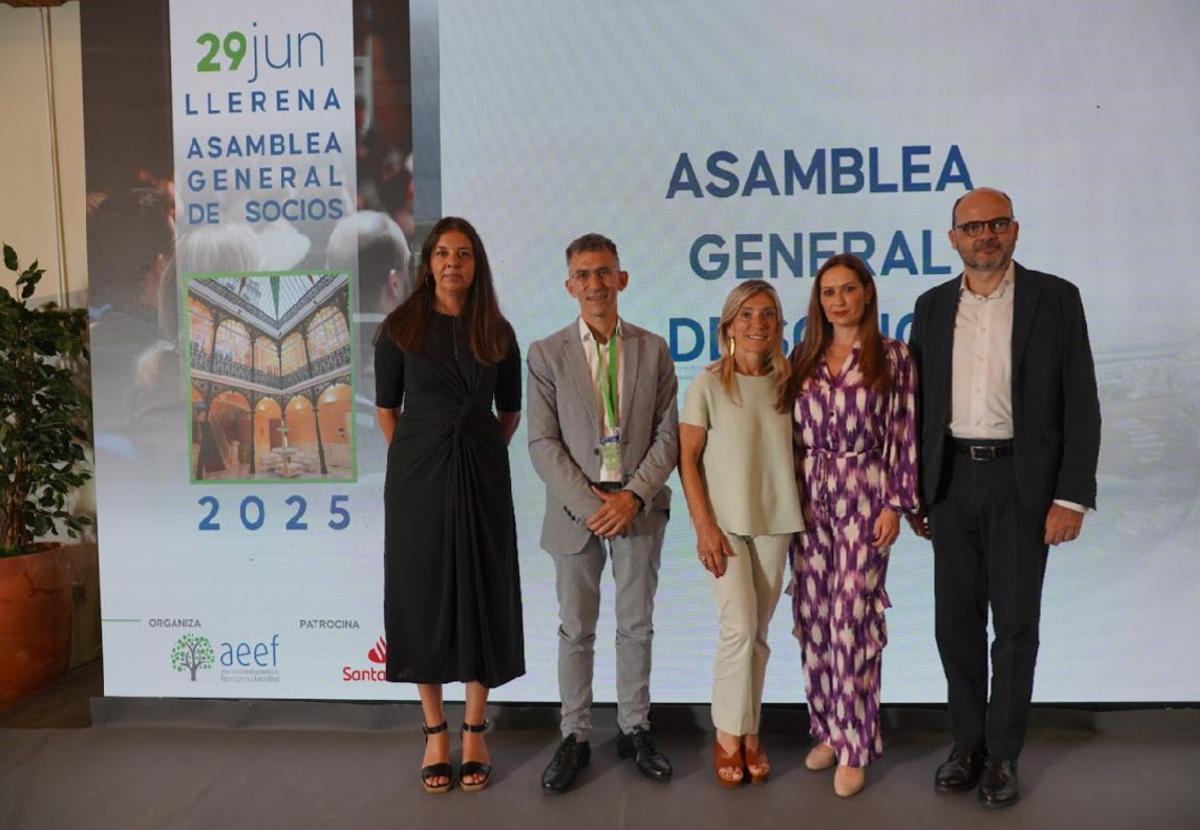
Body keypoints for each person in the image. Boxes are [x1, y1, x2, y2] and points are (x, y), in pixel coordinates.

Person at [907, 188, 1101, 808]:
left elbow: (1082, 402)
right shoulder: (931, 307)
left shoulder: (1056, 298)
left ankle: (1004, 755)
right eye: (971, 227)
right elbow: (915, 408)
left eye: (995, 224)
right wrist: (915, 490)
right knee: (954, 625)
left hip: (1024, 483)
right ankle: (967, 746)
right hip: (951, 483)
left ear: (1014, 229)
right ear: (953, 238)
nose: (983, 235)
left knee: (1015, 626)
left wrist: (1071, 496)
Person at [374, 216, 524, 794]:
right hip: (418, 476)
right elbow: (388, 407)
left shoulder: (498, 331)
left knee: (482, 588)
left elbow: (508, 410)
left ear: (476, 263)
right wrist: (420, 456)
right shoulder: (400, 327)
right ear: (428, 263)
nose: (452, 263)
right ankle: (435, 730)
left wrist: (479, 453)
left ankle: (475, 729)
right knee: (423, 591)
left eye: (463, 254)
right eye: (442, 253)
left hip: (482, 471)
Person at [527, 233, 679, 793]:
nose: (595, 283)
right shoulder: (546, 353)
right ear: (570, 286)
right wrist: (596, 506)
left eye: (604, 272)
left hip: (637, 506)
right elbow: (542, 444)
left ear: (623, 279)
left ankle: (636, 729)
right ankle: (575, 735)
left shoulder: (653, 348)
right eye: (583, 275)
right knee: (576, 629)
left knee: (636, 626)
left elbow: (668, 436)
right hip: (578, 511)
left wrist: (631, 496)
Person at [787, 253, 919, 797]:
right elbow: (790, 438)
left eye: (847, 289)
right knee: (813, 618)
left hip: (866, 495)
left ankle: (857, 743)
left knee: (853, 621)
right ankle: (827, 728)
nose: (838, 301)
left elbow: (906, 432)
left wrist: (896, 503)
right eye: (827, 292)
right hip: (808, 500)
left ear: (867, 292)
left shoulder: (894, 357)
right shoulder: (805, 356)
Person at [678, 280, 804, 788]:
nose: (758, 324)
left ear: (779, 325)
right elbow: (686, 461)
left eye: (768, 315)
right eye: (747, 315)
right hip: (726, 528)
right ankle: (729, 735)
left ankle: (750, 732)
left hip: (777, 523)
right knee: (740, 628)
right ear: (728, 325)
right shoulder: (707, 384)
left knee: (759, 635)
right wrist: (704, 527)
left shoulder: (789, 384)